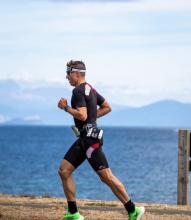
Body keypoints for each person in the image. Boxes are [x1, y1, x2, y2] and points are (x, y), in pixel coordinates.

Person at [57, 60, 145, 220]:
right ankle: (73, 213)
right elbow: (107, 107)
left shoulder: (77, 91)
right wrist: (91, 118)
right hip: (84, 139)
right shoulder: (90, 89)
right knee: (64, 170)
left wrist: (65, 107)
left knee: (107, 177)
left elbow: (82, 115)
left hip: (90, 142)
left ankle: (133, 210)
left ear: (76, 74)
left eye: (68, 74)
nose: (66, 77)